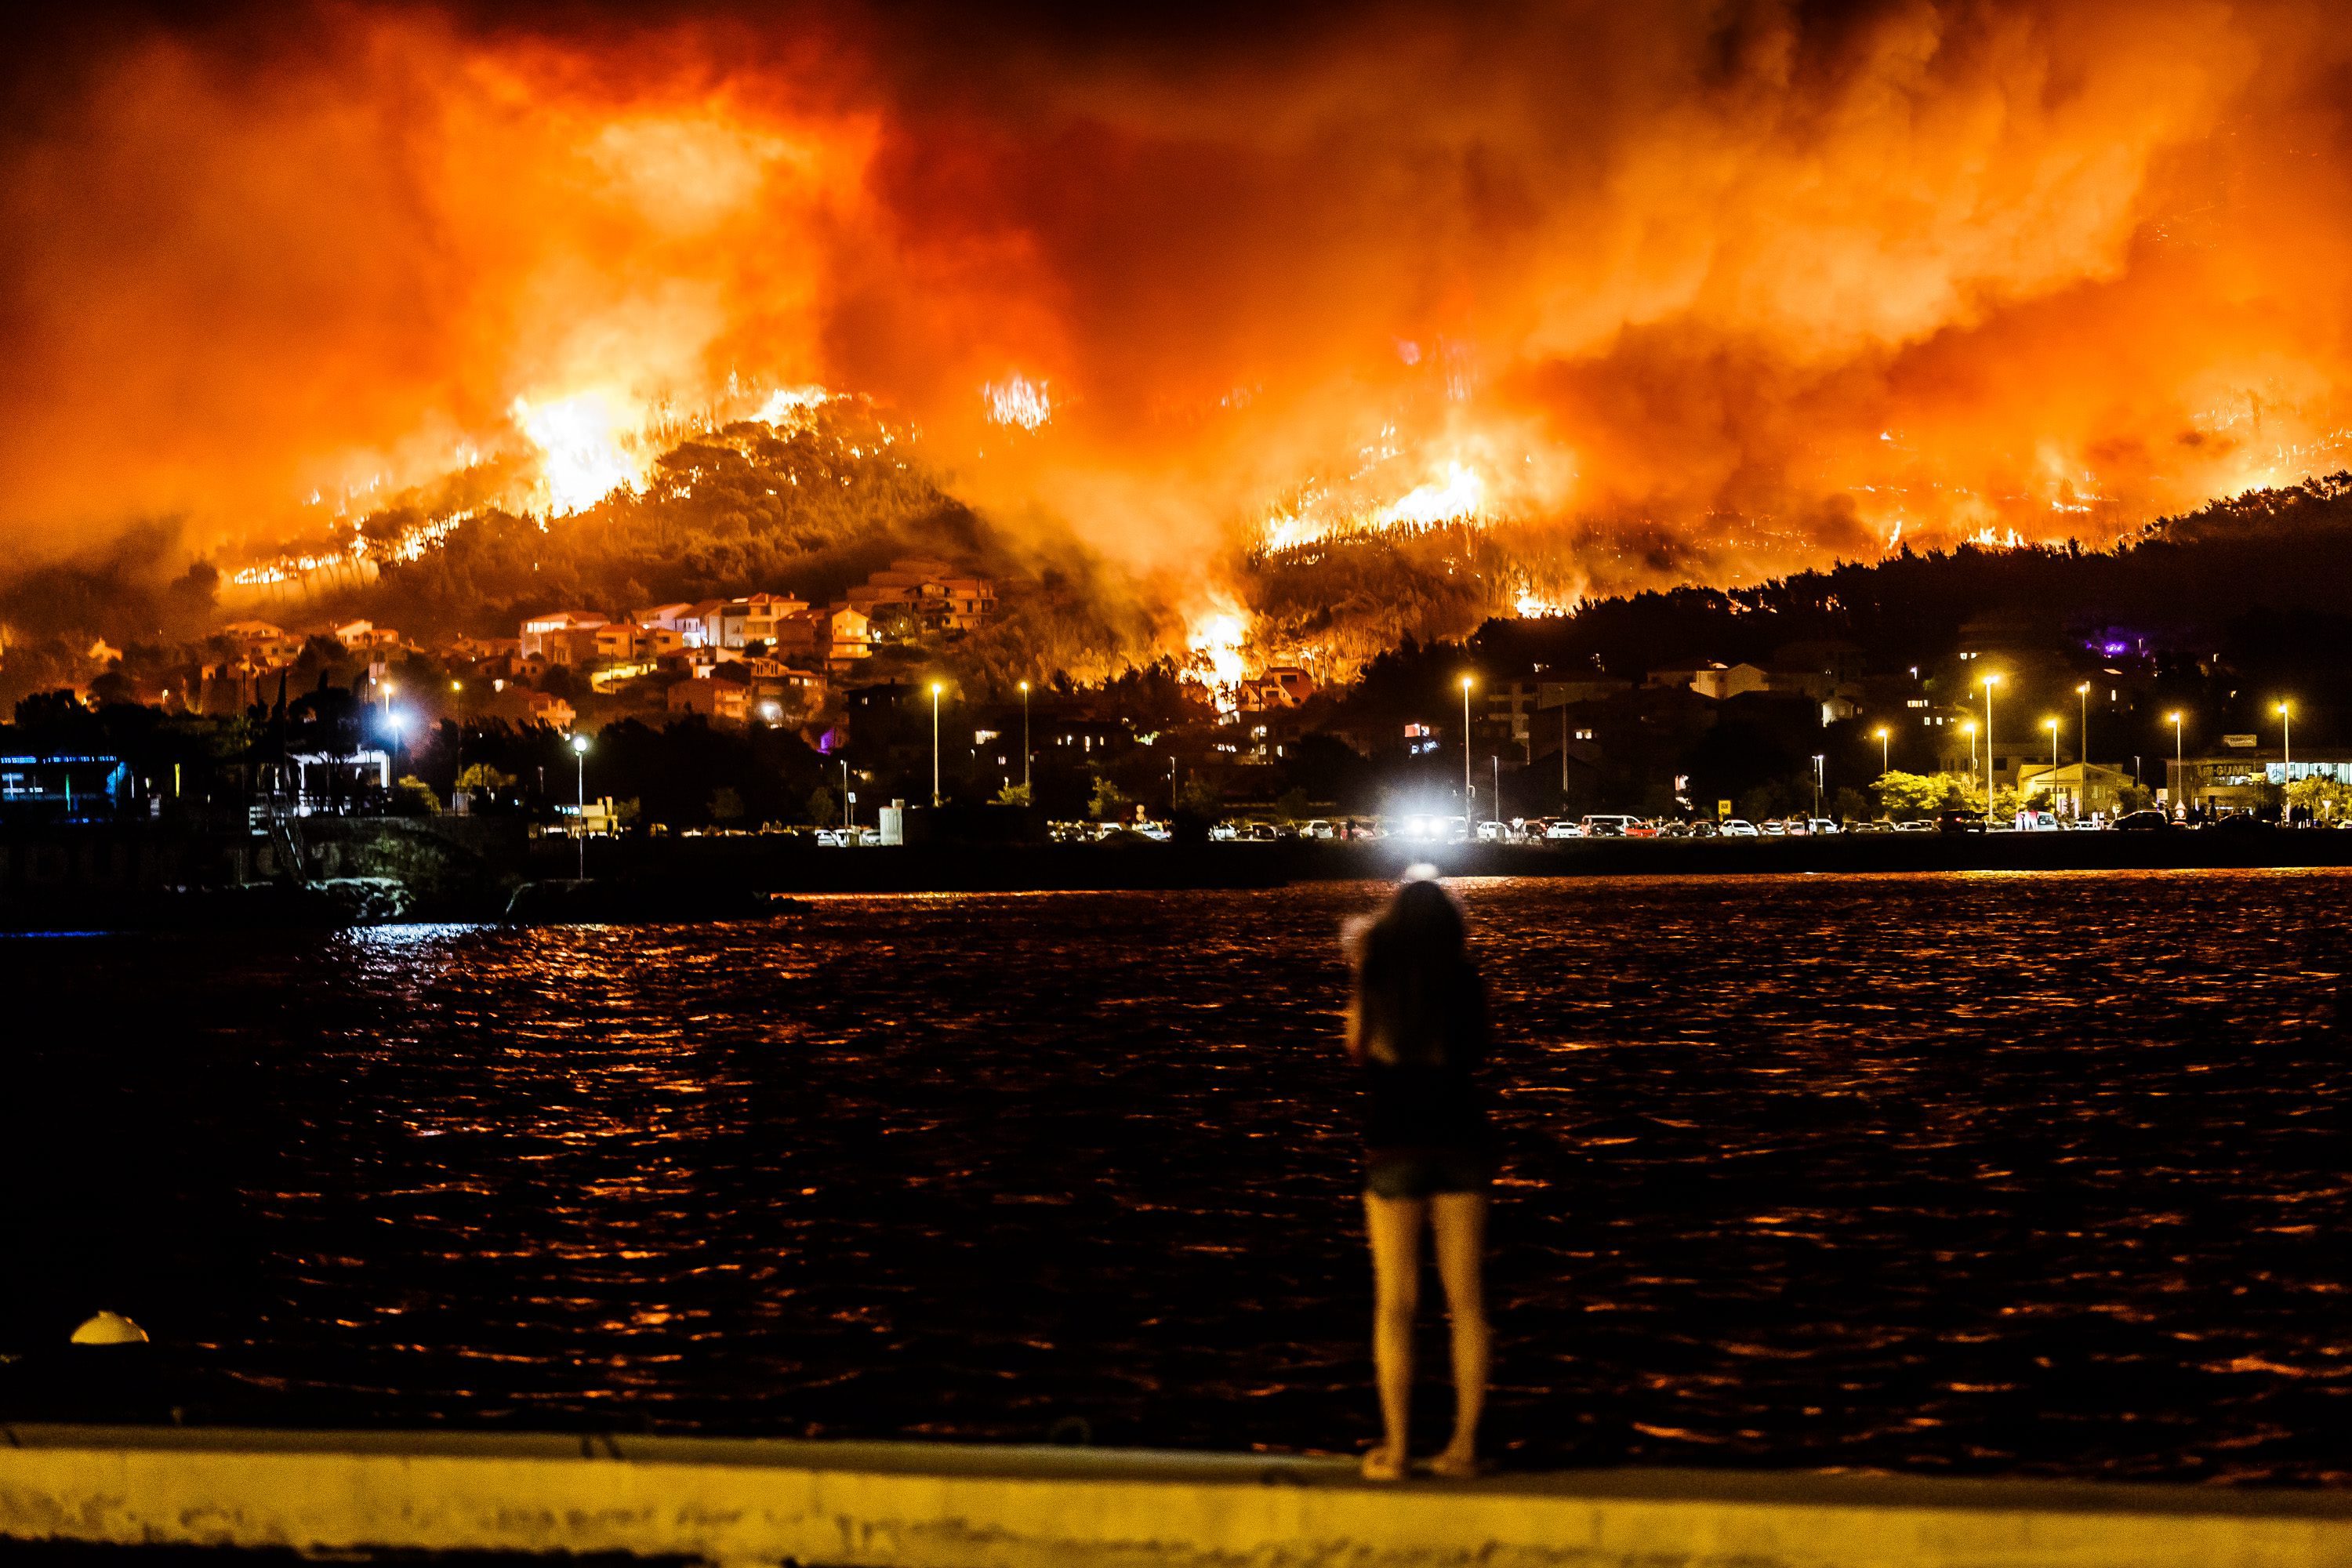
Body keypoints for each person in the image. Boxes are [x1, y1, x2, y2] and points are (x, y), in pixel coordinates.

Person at [1344, 867, 1494, 1479]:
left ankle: (1398, 1449)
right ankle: (1461, 1448)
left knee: (1396, 1303)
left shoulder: (1375, 977)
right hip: (1460, 1140)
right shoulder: (1465, 982)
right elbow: (1480, 1049)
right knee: (1467, 1302)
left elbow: (1356, 1047)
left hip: (1393, 1146)